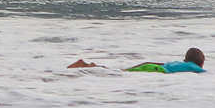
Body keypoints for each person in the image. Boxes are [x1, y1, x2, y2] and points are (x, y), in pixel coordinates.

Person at [68, 48, 205, 73]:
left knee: (122, 72)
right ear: (201, 63)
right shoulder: (195, 68)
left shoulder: (179, 64)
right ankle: (93, 67)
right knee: (120, 73)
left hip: (151, 66)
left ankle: (88, 65)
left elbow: (156, 63)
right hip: (156, 70)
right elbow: (204, 73)